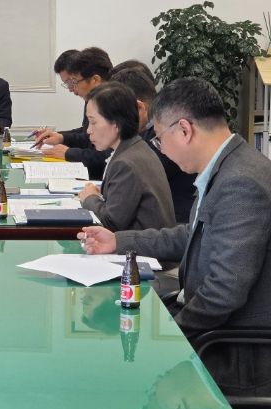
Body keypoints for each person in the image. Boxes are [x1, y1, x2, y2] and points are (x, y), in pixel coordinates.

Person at [81, 77, 271, 392]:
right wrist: (118, 241)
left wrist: (170, 335)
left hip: (233, 353)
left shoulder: (240, 182)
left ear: (184, 130)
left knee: (117, 370)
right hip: (209, 327)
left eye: (159, 138)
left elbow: (224, 292)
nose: (161, 149)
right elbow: (191, 235)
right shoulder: (228, 166)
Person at [78, 82, 175, 231]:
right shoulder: (135, 148)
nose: (88, 130)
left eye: (93, 122)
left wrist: (90, 198)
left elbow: (111, 224)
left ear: (116, 123)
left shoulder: (126, 163)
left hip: (140, 245)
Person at [111, 65, 196, 223]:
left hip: (175, 223)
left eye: (117, 114)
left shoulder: (164, 134)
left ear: (139, 107)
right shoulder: (150, 130)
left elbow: (135, 178)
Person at [34, 47, 113, 179]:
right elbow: (86, 134)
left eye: (73, 82)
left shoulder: (115, 104)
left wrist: (70, 153)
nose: (73, 89)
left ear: (95, 80)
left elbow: (109, 156)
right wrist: (61, 137)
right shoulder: (93, 99)